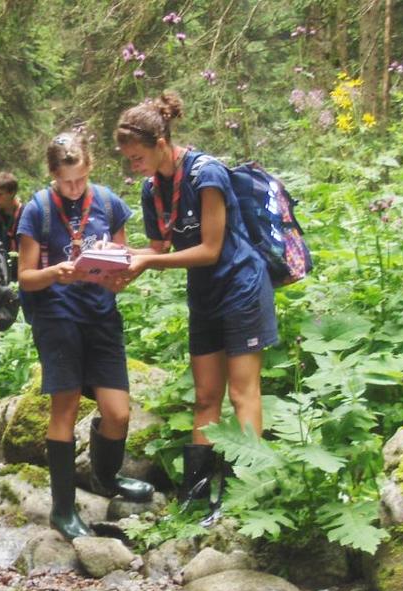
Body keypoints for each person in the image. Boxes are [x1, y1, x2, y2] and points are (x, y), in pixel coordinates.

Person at [114, 92, 279, 515]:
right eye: (128, 160)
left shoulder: (207, 174)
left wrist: (150, 262)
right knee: (206, 397)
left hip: (241, 287)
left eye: (136, 157)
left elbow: (210, 248)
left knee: (243, 393)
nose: (133, 166)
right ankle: (196, 494)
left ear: (160, 143)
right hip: (204, 295)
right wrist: (115, 258)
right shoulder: (152, 189)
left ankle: (247, 490)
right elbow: (157, 246)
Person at [17, 132, 155, 540]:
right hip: (57, 316)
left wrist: (118, 278)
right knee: (66, 404)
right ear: (53, 176)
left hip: (101, 316)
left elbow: (122, 262)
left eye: (79, 180)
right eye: (66, 182)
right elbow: (25, 276)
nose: (74, 189)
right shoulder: (37, 209)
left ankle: (105, 478)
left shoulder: (109, 203)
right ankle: (63, 509)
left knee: (118, 412)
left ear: (90, 167)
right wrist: (53, 273)